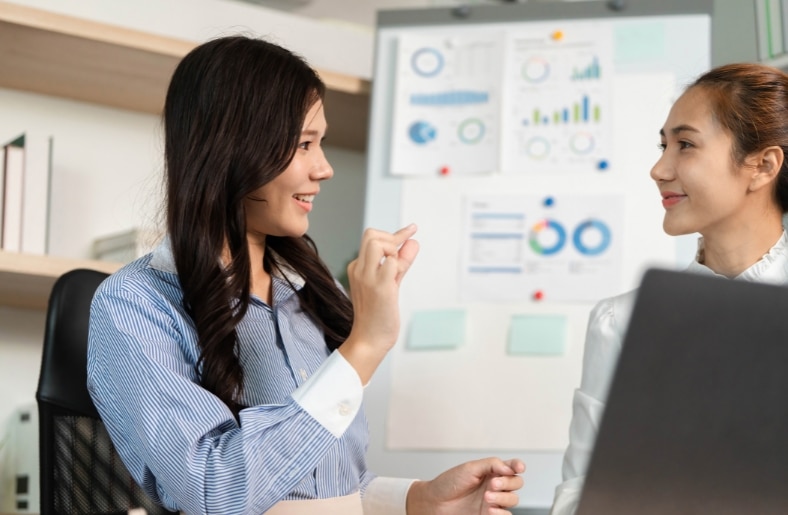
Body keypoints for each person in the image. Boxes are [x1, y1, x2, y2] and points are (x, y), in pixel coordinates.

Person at [86, 35, 524, 515]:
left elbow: (329, 486)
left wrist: (417, 501)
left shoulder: (310, 292)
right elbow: (216, 490)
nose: (325, 168)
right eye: (304, 144)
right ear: (232, 149)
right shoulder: (135, 304)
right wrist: (363, 347)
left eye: (321, 143)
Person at [550, 62, 788, 515]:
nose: (659, 169)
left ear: (763, 166)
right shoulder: (621, 322)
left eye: (686, 145)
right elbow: (578, 494)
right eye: (664, 146)